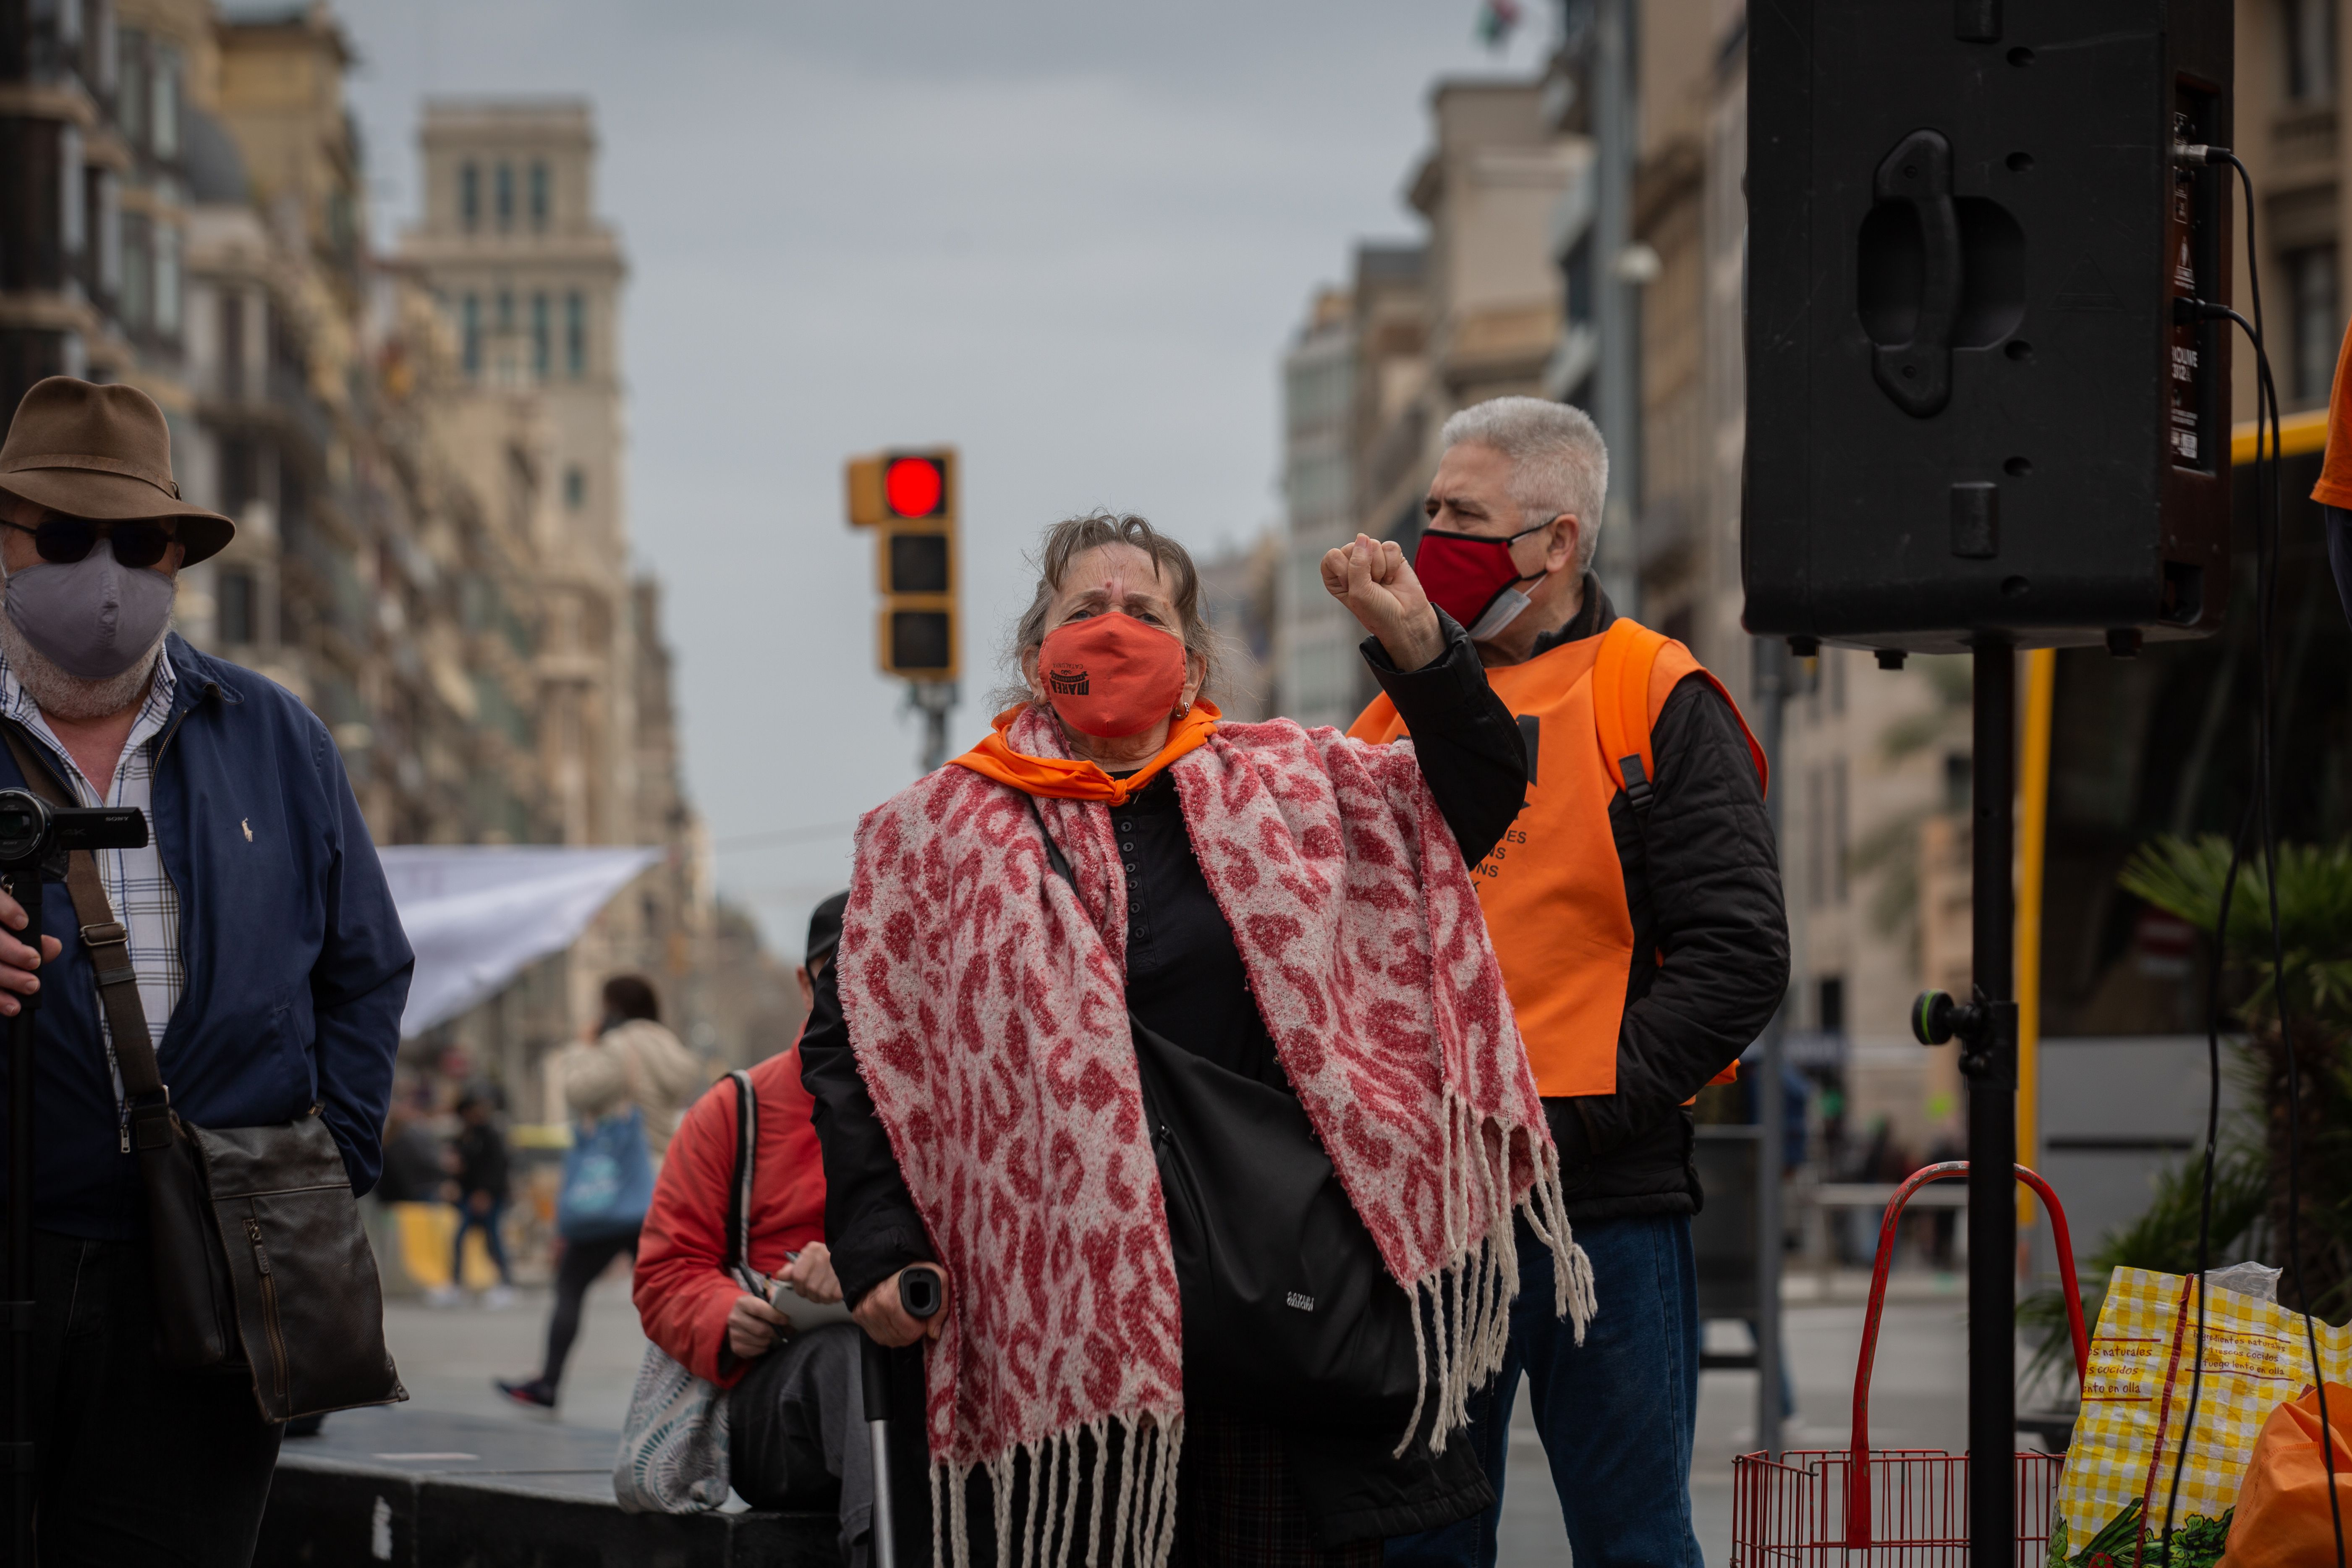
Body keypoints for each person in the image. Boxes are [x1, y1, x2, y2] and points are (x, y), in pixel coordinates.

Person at [804, 511, 1580, 1568]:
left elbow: (1472, 798)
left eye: (1144, 611)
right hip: (1061, 1344)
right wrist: (879, 1244)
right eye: (1085, 609)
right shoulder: (930, 837)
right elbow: (858, 1050)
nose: (1113, 630)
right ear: (1037, 650)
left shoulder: (1299, 787)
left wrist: (1421, 651)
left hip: (1272, 1318)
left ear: (1195, 657)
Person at [1354, 398, 1788, 1568]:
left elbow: (1740, 951)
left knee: (1636, 1541)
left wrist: (1580, 1116)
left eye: (1464, 514)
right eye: (1430, 506)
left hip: (1604, 1208)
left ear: (1554, 542)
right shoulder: (1388, 714)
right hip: (1433, 1213)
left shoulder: (1654, 688)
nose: (1431, 533)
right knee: (1419, 1546)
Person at [0, 377, 412, 1561]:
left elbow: (365, 964)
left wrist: (325, 1163)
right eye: (66, 539)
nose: (106, 573)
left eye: (137, 542)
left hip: (215, 1270)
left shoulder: (274, 733)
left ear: (177, 553)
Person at [633, 891, 923, 1567]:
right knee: (848, 1361)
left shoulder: (944, 1101)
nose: (859, 992)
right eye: (839, 973)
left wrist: (871, 1262)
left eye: (880, 970)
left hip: (922, 1383)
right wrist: (726, 1314)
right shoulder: (736, 1109)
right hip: (779, 1408)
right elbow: (665, 1268)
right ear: (805, 982)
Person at [499, 974, 703, 1410]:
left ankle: (549, 1382)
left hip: (616, 1183)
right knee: (664, 1288)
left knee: (571, 1283)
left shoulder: (617, 1048)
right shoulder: (671, 1048)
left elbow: (578, 1090)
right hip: (661, 1181)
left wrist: (582, 1045)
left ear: (614, 1008)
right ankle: (691, 1386)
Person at [440, 1084, 516, 1309]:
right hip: (469, 1197)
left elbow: (497, 1168)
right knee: (460, 1239)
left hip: (489, 1198)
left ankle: (506, 1285)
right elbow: (461, 1166)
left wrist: (486, 1193)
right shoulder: (464, 1136)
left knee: (493, 1240)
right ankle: (456, 1284)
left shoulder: (490, 1135)